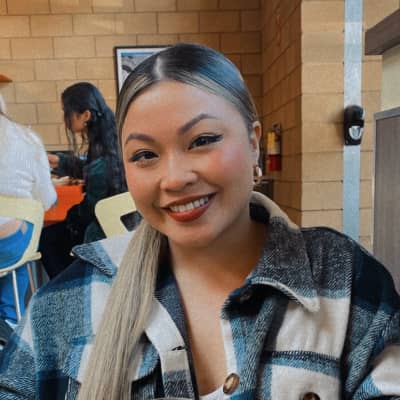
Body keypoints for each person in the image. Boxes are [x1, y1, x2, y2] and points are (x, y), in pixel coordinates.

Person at [0, 43, 399, 400]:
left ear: (253, 143)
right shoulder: (71, 299)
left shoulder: (343, 282)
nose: (174, 179)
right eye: (145, 155)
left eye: (203, 140)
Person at [38, 82, 127, 279]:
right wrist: (60, 160)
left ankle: (70, 287)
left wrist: (70, 216)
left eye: (67, 112)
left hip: (103, 231)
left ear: (85, 115)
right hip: (121, 225)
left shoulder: (102, 155)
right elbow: (92, 169)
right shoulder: (110, 141)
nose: (65, 118)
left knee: (47, 238)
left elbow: (90, 209)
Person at [0, 94, 56, 327]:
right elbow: (47, 199)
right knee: (18, 242)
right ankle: (11, 319)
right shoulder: (27, 139)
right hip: (13, 244)